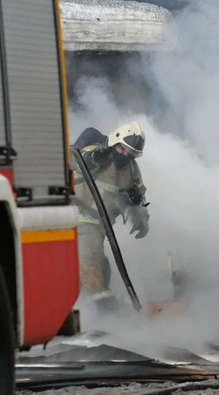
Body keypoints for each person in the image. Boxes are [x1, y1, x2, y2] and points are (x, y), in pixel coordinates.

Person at [71, 121, 150, 312]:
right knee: (90, 258)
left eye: (130, 153)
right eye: (122, 149)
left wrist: (141, 217)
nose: (125, 155)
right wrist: (97, 157)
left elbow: (139, 193)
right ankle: (104, 308)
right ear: (115, 141)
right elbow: (80, 162)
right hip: (78, 215)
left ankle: (82, 306)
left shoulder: (131, 169)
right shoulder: (98, 154)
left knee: (101, 266)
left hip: (100, 224)